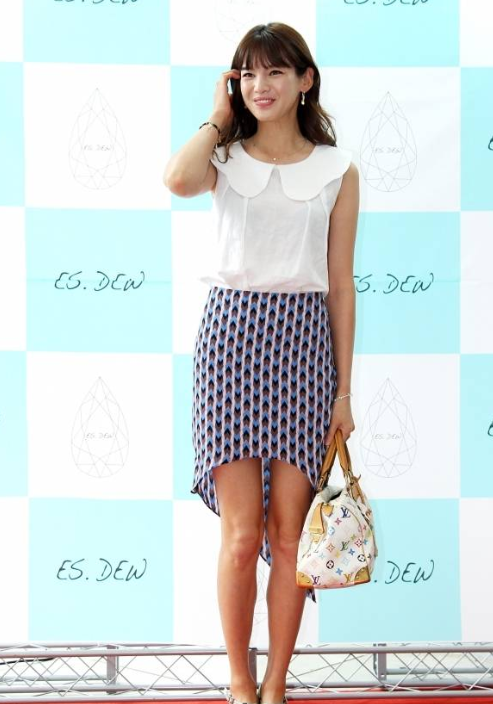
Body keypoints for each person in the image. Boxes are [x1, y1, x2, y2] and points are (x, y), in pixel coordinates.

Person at [164, 21, 359, 704]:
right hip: (230, 341)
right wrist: (217, 119)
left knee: (288, 534)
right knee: (243, 535)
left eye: (275, 71)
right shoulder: (221, 158)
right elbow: (177, 179)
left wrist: (343, 392)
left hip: (304, 344)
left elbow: (341, 285)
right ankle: (240, 683)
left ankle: (276, 683)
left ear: (305, 80)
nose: (260, 85)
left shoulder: (337, 169)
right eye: (247, 73)